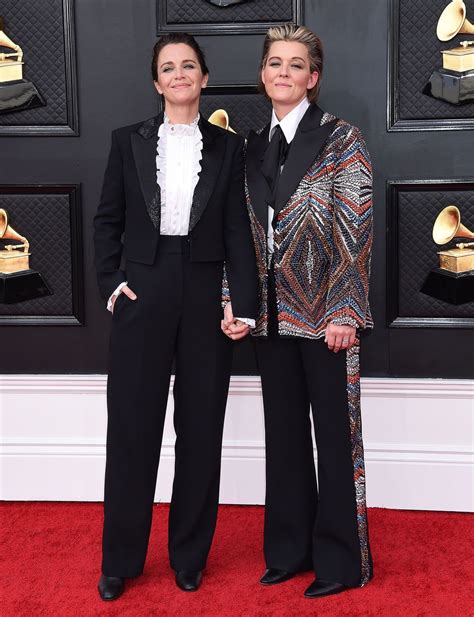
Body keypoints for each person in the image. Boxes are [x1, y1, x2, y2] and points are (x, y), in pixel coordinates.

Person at [93, 32, 257, 601]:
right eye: (169, 67)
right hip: (144, 287)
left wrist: (243, 302)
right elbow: (106, 220)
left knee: (201, 431)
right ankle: (120, 561)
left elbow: (239, 228)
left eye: (189, 65)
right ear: (156, 81)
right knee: (132, 431)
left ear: (204, 78)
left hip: (206, 288)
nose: (179, 74)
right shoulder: (126, 142)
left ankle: (189, 556)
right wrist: (113, 284)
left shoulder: (231, 148)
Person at [234, 23, 374, 598]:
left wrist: (344, 308)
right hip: (268, 317)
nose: (283, 72)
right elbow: (239, 233)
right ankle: (289, 552)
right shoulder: (248, 145)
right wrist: (235, 305)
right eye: (274, 63)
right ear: (263, 75)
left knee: (336, 440)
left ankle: (342, 563)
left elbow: (355, 224)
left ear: (312, 78)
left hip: (326, 319)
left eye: (295, 64)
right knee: (284, 438)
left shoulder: (343, 138)